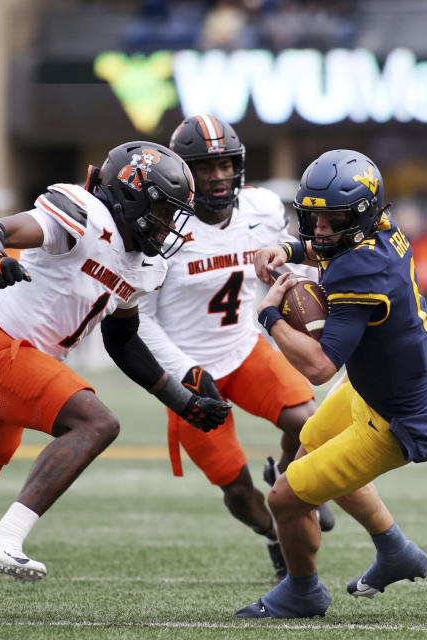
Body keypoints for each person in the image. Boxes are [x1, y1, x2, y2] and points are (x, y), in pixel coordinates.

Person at [0, 141, 230, 609]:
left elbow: (124, 341)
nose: (168, 225)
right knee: (97, 423)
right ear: (132, 195)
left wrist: (184, 401)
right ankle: (5, 537)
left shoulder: (146, 264)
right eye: (161, 210)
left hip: (20, 364)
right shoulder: (86, 214)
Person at [234, 149, 427, 618]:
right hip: (379, 389)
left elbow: (321, 367)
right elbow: (327, 246)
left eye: (334, 218)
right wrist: (285, 249)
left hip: (397, 418)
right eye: (314, 217)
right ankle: (396, 550)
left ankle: (303, 592)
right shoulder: (381, 230)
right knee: (308, 452)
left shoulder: (359, 268)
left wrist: (268, 316)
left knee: (284, 498)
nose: (321, 229)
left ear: (361, 215)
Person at [137, 114, 334, 583]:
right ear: (183, 172)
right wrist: (183, 371)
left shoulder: (262, 209)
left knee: (308, 420)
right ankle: (273, 533)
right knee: (236, 487)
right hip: (186, 367)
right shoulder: (163, 228)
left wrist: (301, 293)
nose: (220, 175)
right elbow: (139, 320)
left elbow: (289, 265)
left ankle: (289, 480)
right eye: (206, 167)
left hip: (244, 347)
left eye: (226, 164)